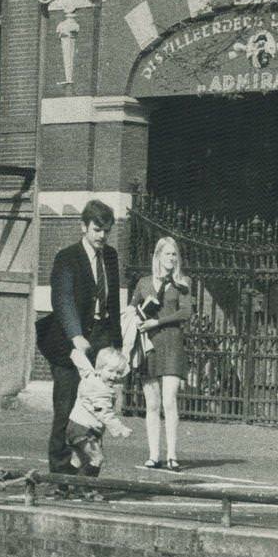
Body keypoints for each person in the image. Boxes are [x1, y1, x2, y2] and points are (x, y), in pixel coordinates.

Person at [37, 201, 123, 476]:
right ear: (83, 227)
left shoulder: (110, 256)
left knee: (97, 410)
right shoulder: (67, 257)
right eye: (97, 230)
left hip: (99, 339)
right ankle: (61, 477)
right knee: (66, 410)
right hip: (69, 345)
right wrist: (75, 335)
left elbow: (114, 301)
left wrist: (116, 343)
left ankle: (88, 478)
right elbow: (62, 298)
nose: (101, 236)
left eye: (106, 231)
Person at [126, 234, 194, 472]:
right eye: (167, 253)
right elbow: (131, 309)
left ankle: (172, 455)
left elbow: (185, 313)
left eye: (174, 254)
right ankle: (154, 455)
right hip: (149, 346)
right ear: (158, 256)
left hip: (172, 344)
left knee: (169, 401)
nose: (172, 258)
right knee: (152, 403)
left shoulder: (182, 283)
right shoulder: (144, 283)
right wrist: (137, 319)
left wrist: (156, 322)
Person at [62, 345, 133, 477]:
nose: (114, 376)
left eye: (119, 373)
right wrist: (119, 428)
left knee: (78, 460)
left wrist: (77, 351)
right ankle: (85, 489)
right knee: (97, 458)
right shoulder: (100, 390)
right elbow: (103, 412)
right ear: (100, 369)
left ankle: (63, 486)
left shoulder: (90, 376)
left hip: (74, 426)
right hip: (84, 430)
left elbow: (83, 366)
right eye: (111, 371)